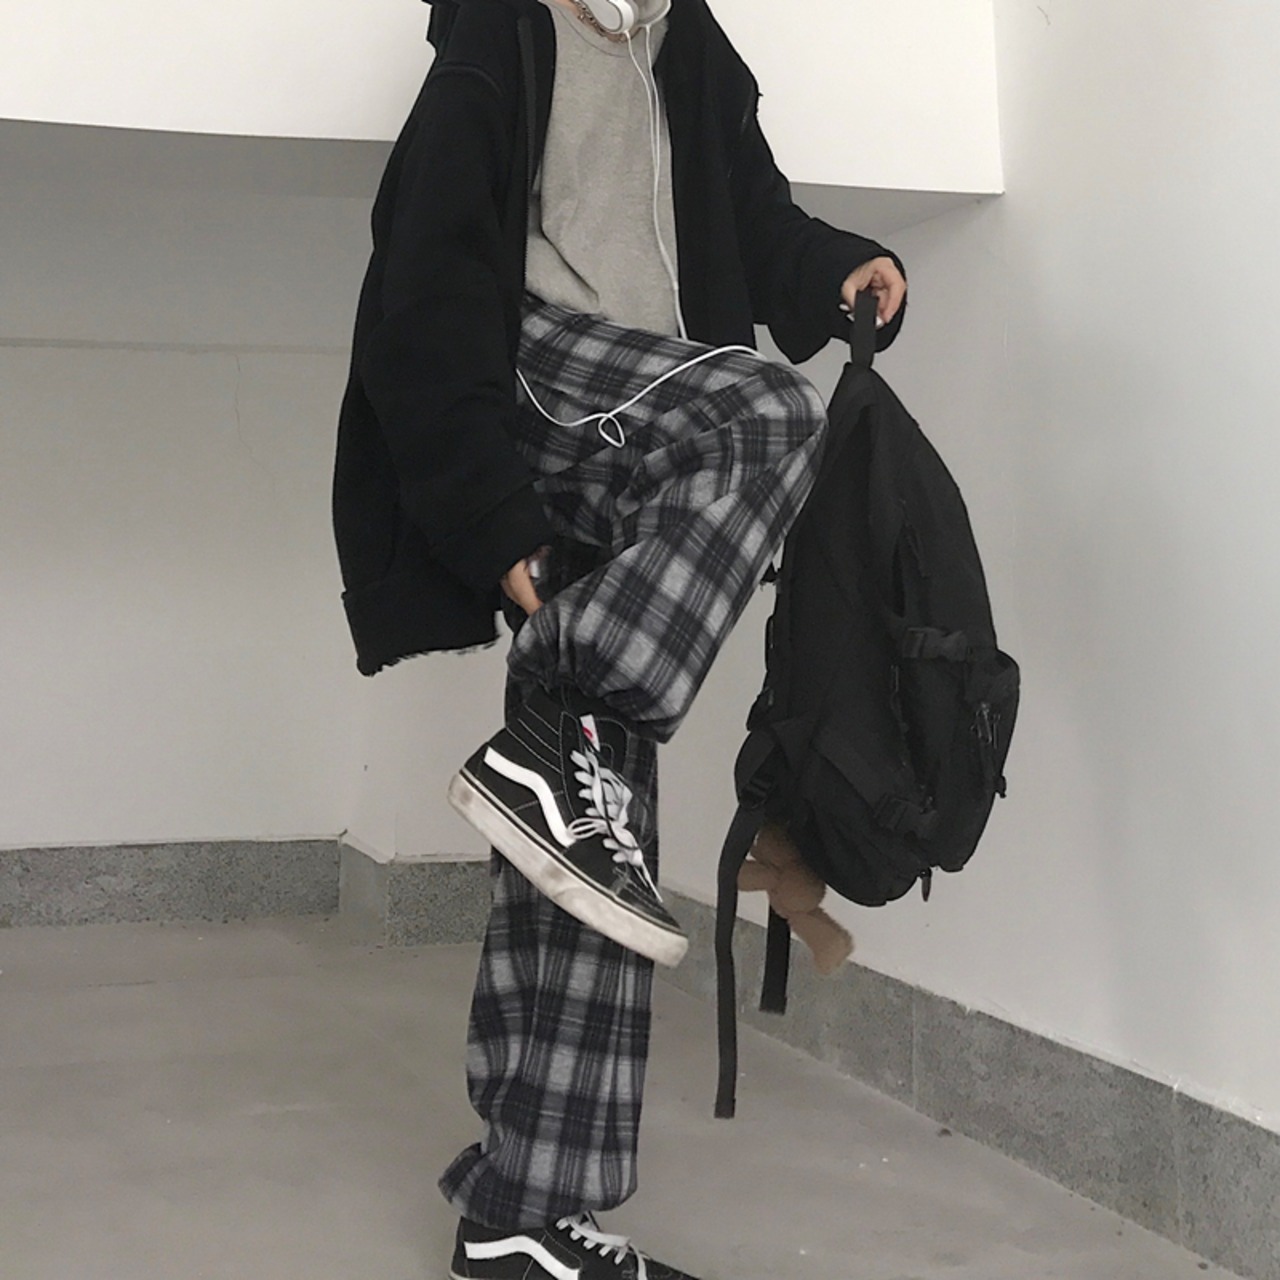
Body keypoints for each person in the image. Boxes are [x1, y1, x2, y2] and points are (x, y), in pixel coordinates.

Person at [333, 0, 907, 1274]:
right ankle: (563, 727)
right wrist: (495, 528)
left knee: (597, 851)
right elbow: (424, 292)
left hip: (644, 406)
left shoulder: (681, 39)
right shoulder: (501, 31)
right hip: (538, 369)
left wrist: (833, 266)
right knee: (769, 411)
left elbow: (751, 215)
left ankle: (520, 1215)